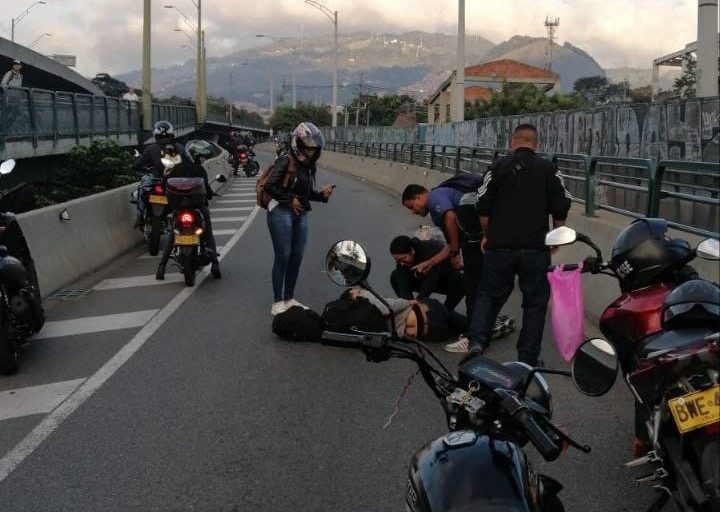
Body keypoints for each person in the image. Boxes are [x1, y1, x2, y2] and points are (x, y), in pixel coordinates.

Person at [462, 123, 572, 364]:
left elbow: (482, 204)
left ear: (513, 142)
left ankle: (478, 343)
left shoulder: (497, 167)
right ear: (537, 143)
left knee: (488, 295)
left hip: (499, 246)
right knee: (534, 303)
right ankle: (528, 357)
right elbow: (562, 203)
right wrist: (556, 234)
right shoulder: (549, 169)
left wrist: (487, 235)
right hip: (535, 248)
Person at [401, 176, 485, 336]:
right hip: (472, 241)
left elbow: (450, 218)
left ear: (418, 197)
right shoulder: (435, 212)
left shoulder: (435, 197)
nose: (413, 212)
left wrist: (454, 251)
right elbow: (450, 245)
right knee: (472, 284)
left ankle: (474, 332)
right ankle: (477, 325)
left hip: (477, 240)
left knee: (473, 286)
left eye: (412, 206)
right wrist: (430, 263)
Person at [264, 122, 334, 315]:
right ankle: (277, 301)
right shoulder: (286, 161)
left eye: (314, 148)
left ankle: (289, 298)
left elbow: (307, 193)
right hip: (280, 211)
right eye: (308, 147)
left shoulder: (309, 167)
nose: (311, 151)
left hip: (300, 212)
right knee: (283, 256)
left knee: (297, 257)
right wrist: (289, 200)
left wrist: (322, 196)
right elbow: (270, 186)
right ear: (299, 144)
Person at [156, 141, 221, 280]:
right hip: (197, 207)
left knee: (173, 236)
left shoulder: (175, 168)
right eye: (202, 156)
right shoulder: (199, 170)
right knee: (208, 232)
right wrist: (209, 194)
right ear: (196, 156)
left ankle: (161, 267)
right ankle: (215, 266)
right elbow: (206, 191)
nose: (203, 159)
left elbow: (165, 185)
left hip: (178, 208)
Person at [340, 287, 466, 342]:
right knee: (436, 307)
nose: (361, 290)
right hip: (429, 315)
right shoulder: (365, 301)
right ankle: (474, 330)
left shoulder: (357, 322)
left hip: (432, 335)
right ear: (352, 297)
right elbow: (387, 307)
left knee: (450, 322)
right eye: (357, 291)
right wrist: (409, 301)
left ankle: (468, 330)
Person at [389, 235, 465, 312]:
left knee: (461, 281)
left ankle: (447, 312)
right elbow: (403, 287)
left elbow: (430, 282)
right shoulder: (401, 263)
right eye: (398, 260)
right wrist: (410, 306)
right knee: (394, 277)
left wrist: (419, 303)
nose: (401, 263)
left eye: (403, 258)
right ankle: (409, 312)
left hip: (442, 278)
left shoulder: (431, 248)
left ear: (412, 251)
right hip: (421, 279)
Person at [132, 120, 186, 227]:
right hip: (173, 182)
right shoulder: (179, 148)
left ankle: (140, 215)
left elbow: (137, 165)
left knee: (141, 190)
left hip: (156, 180)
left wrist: (136, 167)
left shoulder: (151, 149)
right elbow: (188, 164)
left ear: (156, 134)